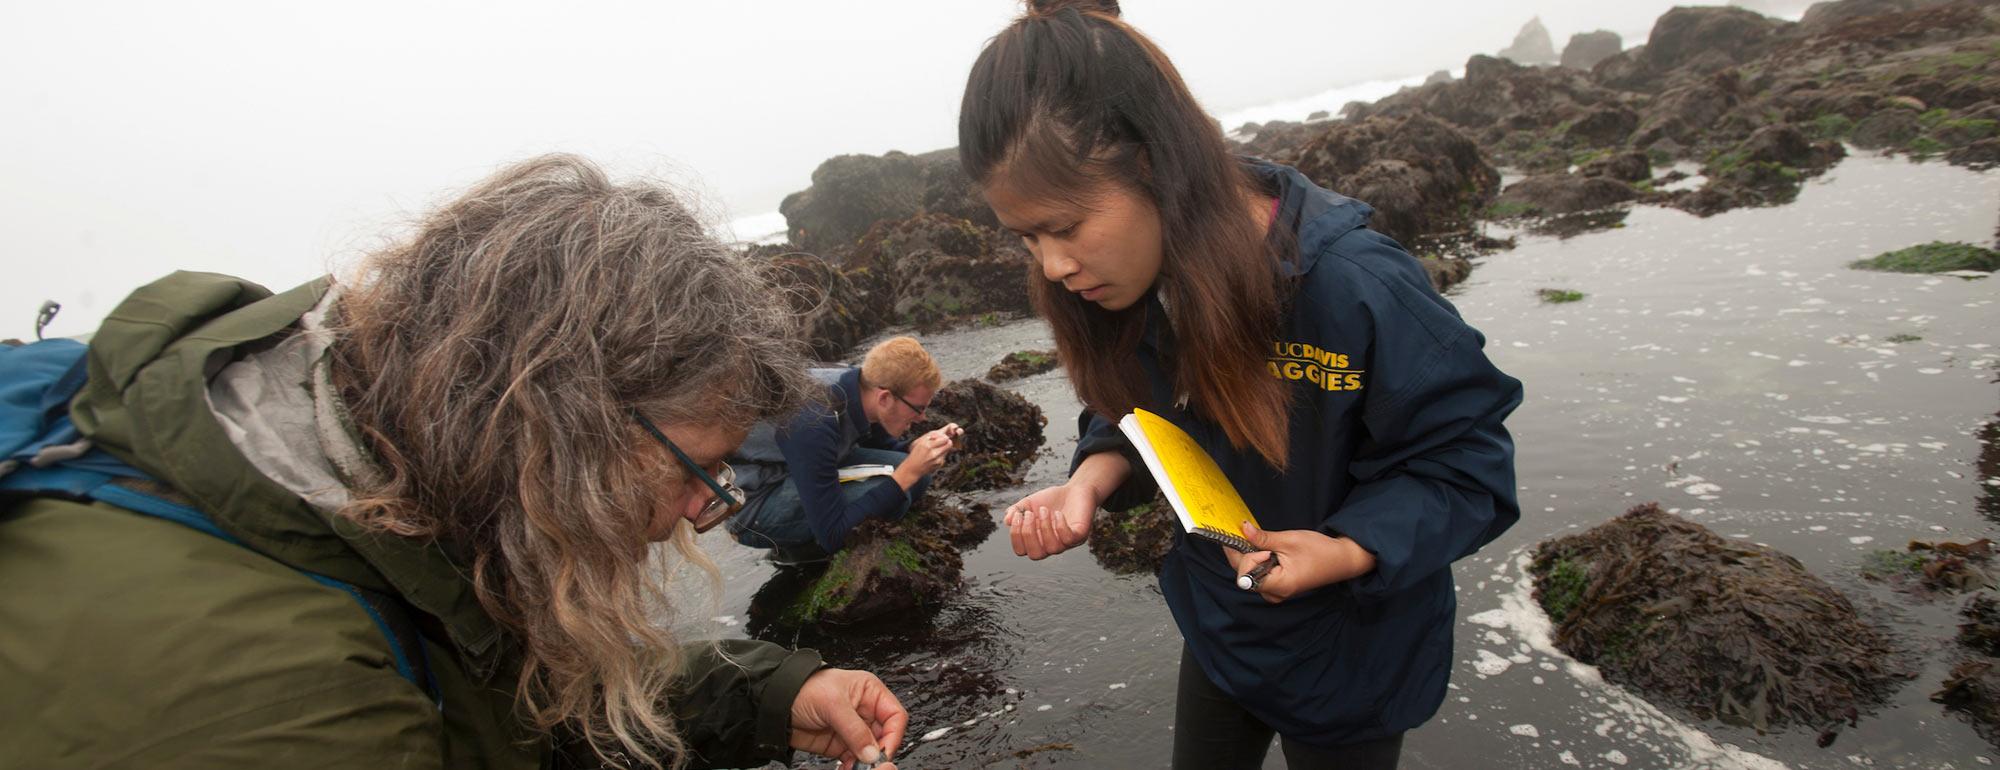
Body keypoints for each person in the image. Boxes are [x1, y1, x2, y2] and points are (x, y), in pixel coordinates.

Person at [0, 155, 907, 770]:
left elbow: (506, 692)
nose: (695, 510)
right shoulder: (279, 705)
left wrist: (773, 691)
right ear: (553, 422)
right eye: (692, 470)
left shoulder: (373, 477)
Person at [961, 3, 1524, 768]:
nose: (1053, 265)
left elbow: (1466, 468)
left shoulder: (1356, 288)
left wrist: (1345, 549)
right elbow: (1133, 414)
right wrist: (1090, 482)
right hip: (1223, 629)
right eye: (1026, 237)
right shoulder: (1126, 285)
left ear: (1155, 163)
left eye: (1064, 226)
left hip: (1350, 654)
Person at [727, 336, 962, 565]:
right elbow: (834, 535)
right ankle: (799, 553)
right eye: (918, 408)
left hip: (795, 468)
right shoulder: (814, 421)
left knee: (916, 478)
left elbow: (878, 444)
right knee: (897, 492)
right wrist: (908, 472)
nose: (922, 418)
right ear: (885, 398)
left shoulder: (860, 385)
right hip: (754, 505)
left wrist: (915, 449)